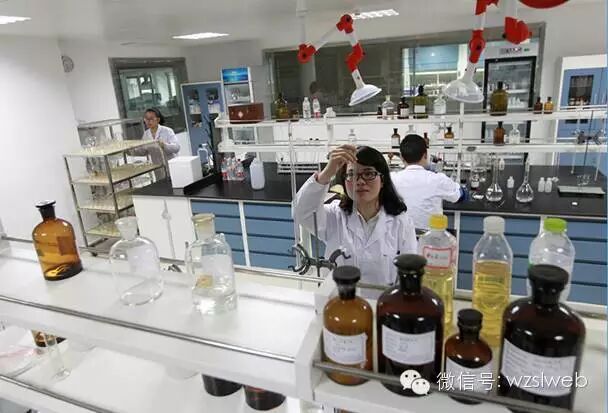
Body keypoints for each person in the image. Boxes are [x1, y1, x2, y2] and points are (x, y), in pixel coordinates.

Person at [293, 145, 417, 286]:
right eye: (352, 174)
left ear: (382, 180)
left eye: (368, 174)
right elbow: (300, 212)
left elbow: (410, 271)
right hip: (339, 297)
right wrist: (327, 173)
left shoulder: (401, 222)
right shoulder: (334, 216)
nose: (360, 181)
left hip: (382, 298)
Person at [392, 134, 466, 230]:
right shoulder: (437, 179)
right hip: (431, 237)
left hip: (400, 237)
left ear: (401, 157)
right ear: (426, 155)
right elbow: (460, 196)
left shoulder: (391, 179)